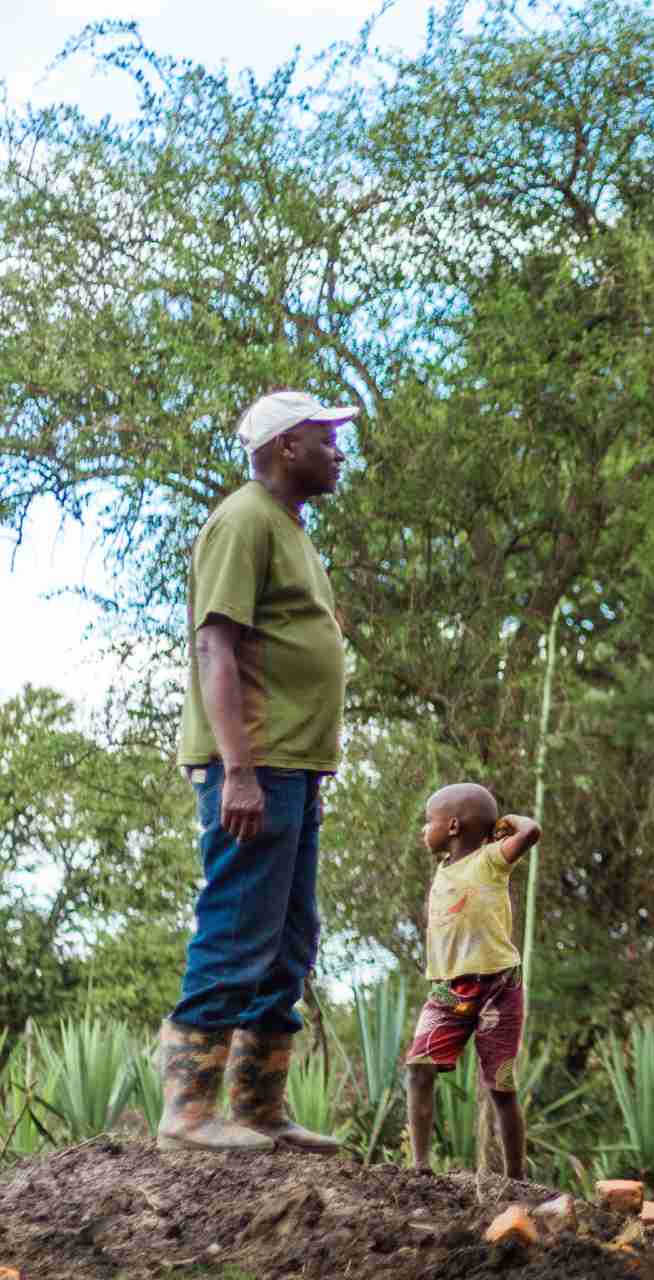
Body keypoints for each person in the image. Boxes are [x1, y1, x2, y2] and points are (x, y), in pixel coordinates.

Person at [162, 390, 355, 1154]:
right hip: (256, 765)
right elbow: (216, 646)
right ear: (285, 447)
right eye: (326, 439)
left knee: (289, 939)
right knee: (239, 926)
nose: (338, 452)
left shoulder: (291, 530)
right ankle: (188, 1114)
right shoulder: (243, 519)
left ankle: (258, 1108)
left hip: (295, 768)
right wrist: (237, 769)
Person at [404, 783, 542, 1179]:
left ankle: (515, 1178)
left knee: (500, 1086)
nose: (422, 830)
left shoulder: (491, 860)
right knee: (419, 1067)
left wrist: (506, 823)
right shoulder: (443, 868)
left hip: (498, 986)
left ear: (451, 826)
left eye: (427, 822)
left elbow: (529, 832)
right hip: (447, 988)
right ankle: (419, 1166)